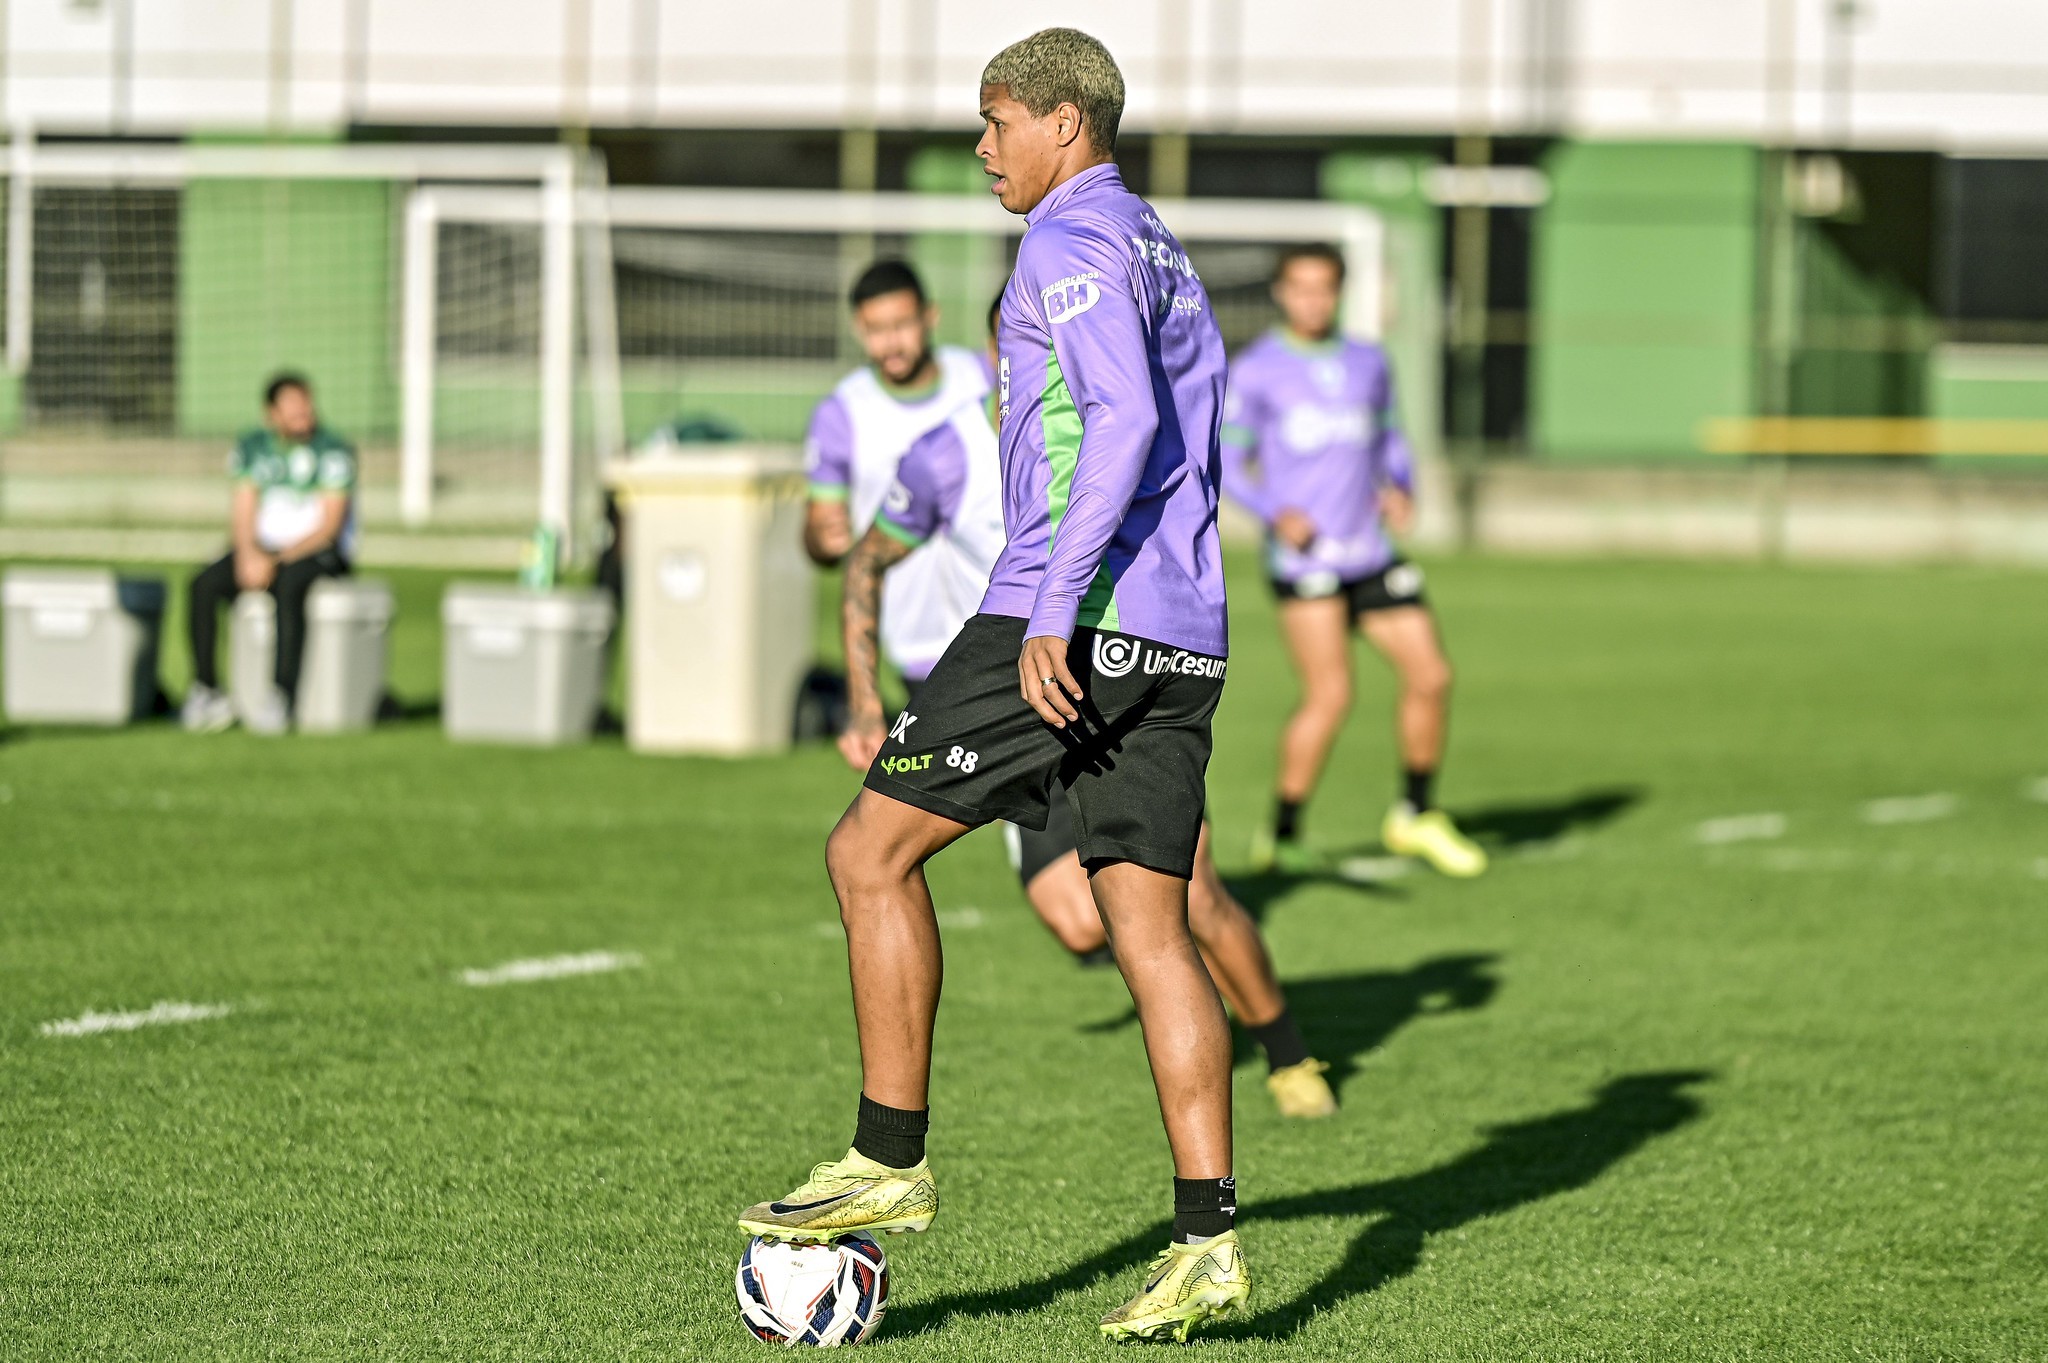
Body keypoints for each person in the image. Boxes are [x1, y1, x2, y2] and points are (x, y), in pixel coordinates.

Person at [738, 28, 1252, 1342]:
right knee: (1151, 930)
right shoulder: (1156, 242)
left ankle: (887, 1155)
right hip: (1183, 633)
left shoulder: (1066, 239)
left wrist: (1055, 605)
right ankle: (1207, 1240)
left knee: (867, 852)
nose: (982, 146)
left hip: (1066, 612)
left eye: (996, 118)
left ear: (1064, 124)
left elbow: (1124, 422)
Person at [837, 299, 1338, 1122]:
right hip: (1010, 705)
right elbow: (864, 561)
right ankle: (1170, 989)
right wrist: (865, 700)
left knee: (1193, 900)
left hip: (1117, 683)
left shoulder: (1114, 431)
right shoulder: (947, 453)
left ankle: (1288, 1052)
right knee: (1077, 921)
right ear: (1000, 353)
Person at [1223, 244, 1487, 878]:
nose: (1313, 300)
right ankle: (1282, 833)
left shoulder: (1368, 361)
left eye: (1325, 288)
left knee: (1432, 675)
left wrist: (1401, 486)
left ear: (1339, 293)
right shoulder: (1257, 371)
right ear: (1281, 293)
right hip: (1306, 560)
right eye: (1301, 287)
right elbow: (1228, 461)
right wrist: (1274, 511)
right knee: (1331, 695)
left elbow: (1390, 437)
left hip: (1370, 550)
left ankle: (1415, 814)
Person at [801, 259, 991, 695]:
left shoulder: (981, 376)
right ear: (857, 328)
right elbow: (820, 535)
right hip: (915, 639)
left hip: (998, 617)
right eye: (875, 329)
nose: (890, 342)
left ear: (930, 316)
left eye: (901, 325)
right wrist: (820, 537)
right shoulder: (842, 413)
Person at [180, 373, 357, 735]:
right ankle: (207, 690)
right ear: (272, 413)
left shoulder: (333, 449)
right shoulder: (253, 446)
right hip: (264, 549)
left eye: (305, 405)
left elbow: (329, 526)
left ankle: (281, 696)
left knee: (289, 586)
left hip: (317, 552)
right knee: (202, 584)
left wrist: (275, 560)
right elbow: (243, 508)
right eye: (292, 407)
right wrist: (248, 554)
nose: (302, 414)